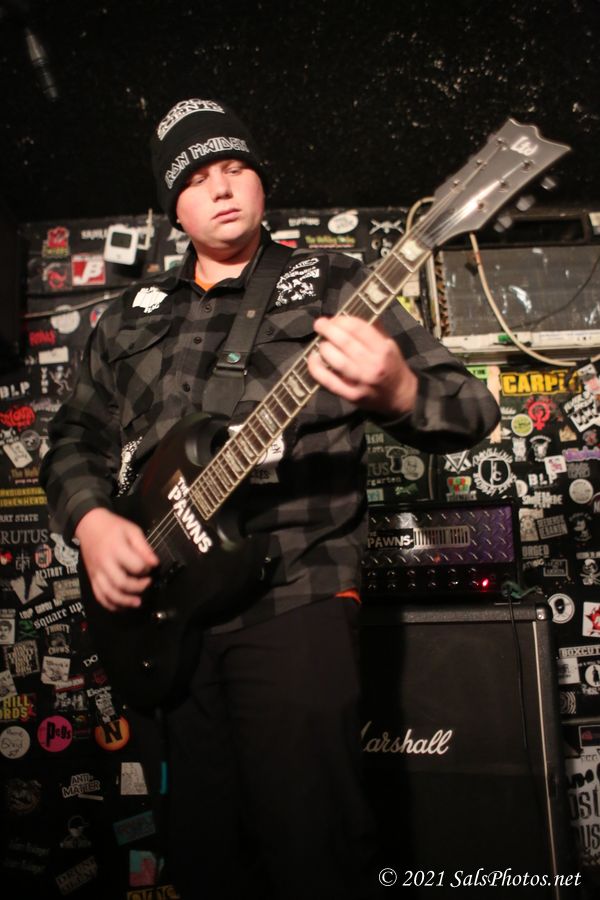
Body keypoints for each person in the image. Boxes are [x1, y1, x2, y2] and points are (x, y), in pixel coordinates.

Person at [39, 98, 500, 899]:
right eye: (197, 178)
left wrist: (396, 390)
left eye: (236, 168)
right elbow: (73, 438)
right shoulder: (126, 320)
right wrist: (92, 522)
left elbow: (472, 409)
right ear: (172, 207)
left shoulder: (337, 282)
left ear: (260, 181)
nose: (221, 188)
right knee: (205, 858)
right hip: (163, 617)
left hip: (295, 590)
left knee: (313, 846)